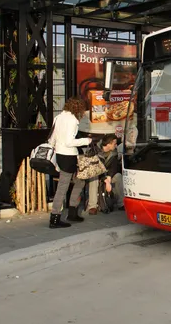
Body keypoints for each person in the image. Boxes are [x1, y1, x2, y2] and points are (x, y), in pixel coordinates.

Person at [49, 97, 93, 228]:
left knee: (80, 180)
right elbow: (69, 142)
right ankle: (55, 218)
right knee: (63, 186)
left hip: (60, 155)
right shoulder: (73, 120)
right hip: (69, 156)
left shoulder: (58, 117)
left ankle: (72, 212)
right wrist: (86, 141)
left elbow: (52, 139)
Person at [85, 134, 124, 215]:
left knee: (118, 176)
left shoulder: (114, 152)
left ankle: (121, 203)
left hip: (107, 174)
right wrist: (106, 180)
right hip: (96, 174)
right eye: (114, 143)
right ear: (108, 144)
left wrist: (109, 177)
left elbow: (114, 166)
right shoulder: (94, 151)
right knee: (94, 178)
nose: (116, 145)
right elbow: (94, 169)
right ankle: (92, 206)